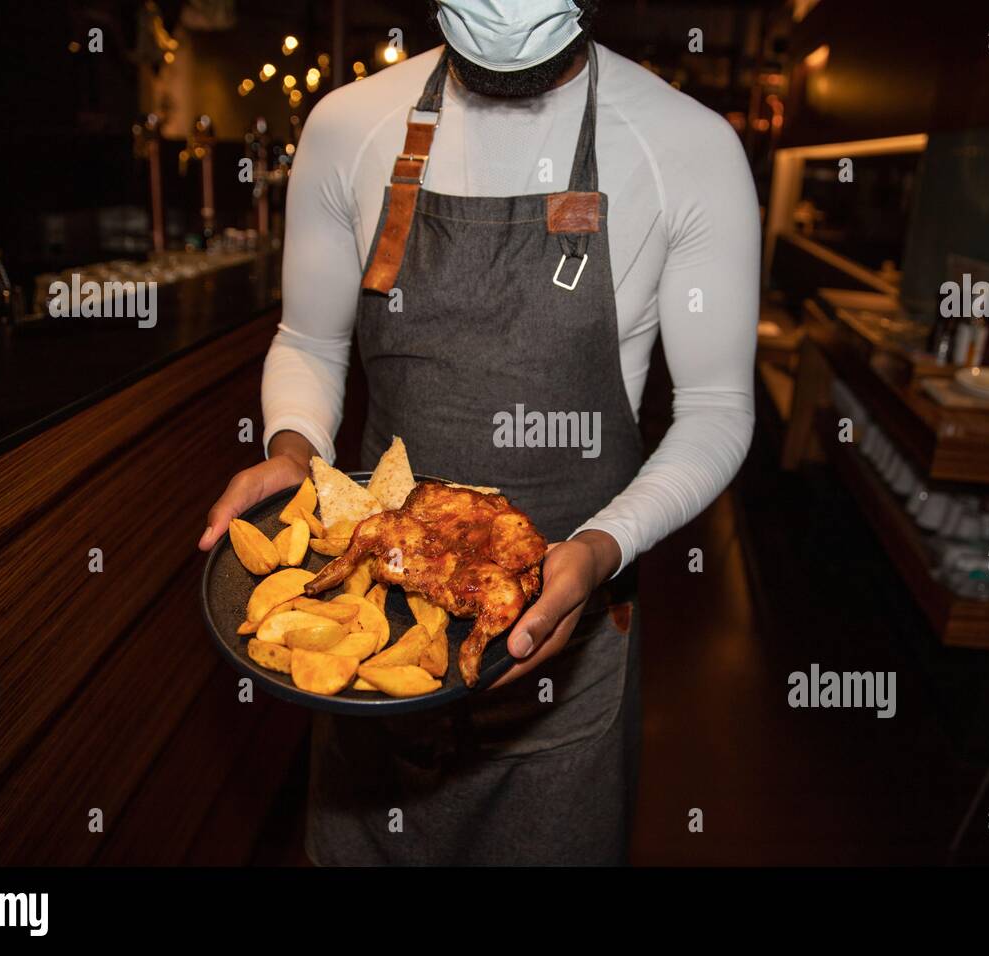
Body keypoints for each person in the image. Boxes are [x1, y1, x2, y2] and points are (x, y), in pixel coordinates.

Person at [198, 0, 758, 865]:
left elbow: (718, 408)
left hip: (565, 682)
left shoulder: (688, 147)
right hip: (374, 640)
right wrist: (293, 450)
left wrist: (607, 546)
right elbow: (309, 339)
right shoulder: (349, 126)